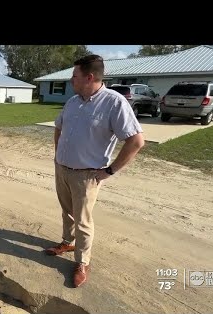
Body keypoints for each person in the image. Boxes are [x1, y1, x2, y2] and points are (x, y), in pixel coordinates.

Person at [46, 54, 145, 287]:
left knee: (83, 221)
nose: (71, 80)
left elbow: (136, 141)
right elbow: (59, 128)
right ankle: (67, 243)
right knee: (67, 212)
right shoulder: (72, 102)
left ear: (89, 77)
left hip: (87, 175)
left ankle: (82, 261)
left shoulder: (114, 102)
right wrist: (59, 156)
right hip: (62, 168)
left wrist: (109, 171)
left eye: (75, 76)